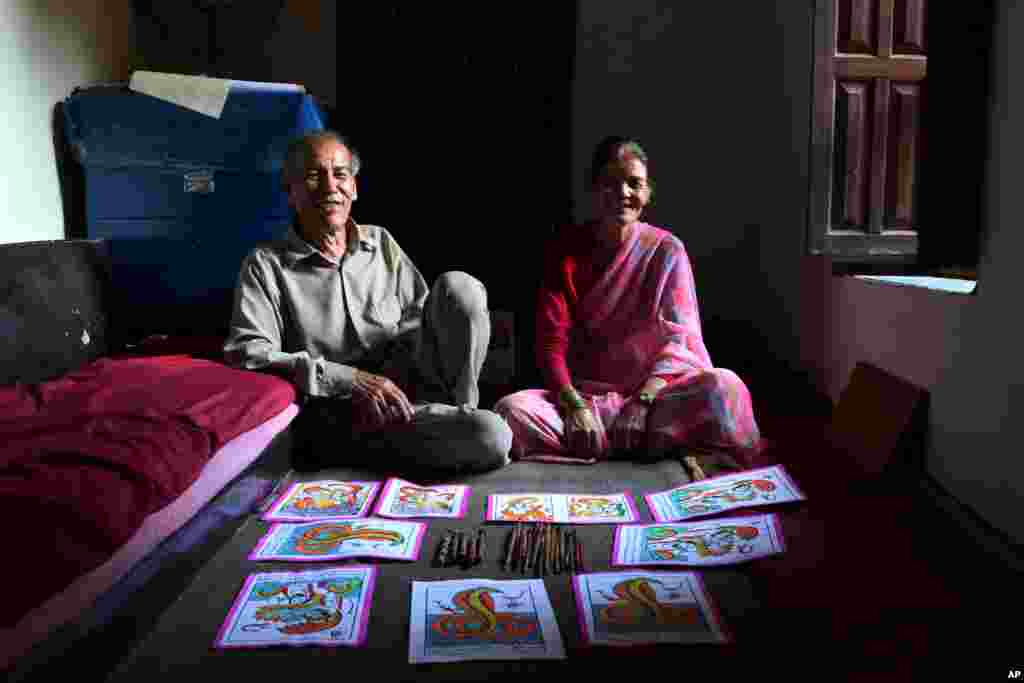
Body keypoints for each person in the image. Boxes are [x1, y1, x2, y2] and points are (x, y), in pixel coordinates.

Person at [224, 130, 511, 474]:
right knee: (490, 435)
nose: (331, 187)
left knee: (459, 287)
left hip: (413, 391)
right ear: (291, 192)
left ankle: (460, 413)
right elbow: (248, 353)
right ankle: (448, 433)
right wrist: (350, 379)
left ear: (354, 188)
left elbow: (421, 316)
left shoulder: (380, 241)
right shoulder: (266, 265)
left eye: (340, 174)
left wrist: (404, 364)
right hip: (344, 412)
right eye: (315, 175)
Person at [494, 135, 763, 468]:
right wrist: (576, 408)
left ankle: (610, 443)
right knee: (511, 411)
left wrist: (641, 403)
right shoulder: (565, 252)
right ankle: (636, 444)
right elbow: (552, 344)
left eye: (634, 184)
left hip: (654, 401)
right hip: (585, 402)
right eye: (610, 183)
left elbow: (681, 341)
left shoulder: (667, 252)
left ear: (647, 193)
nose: (623, 193)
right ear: (593, 190)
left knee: (725, 388)